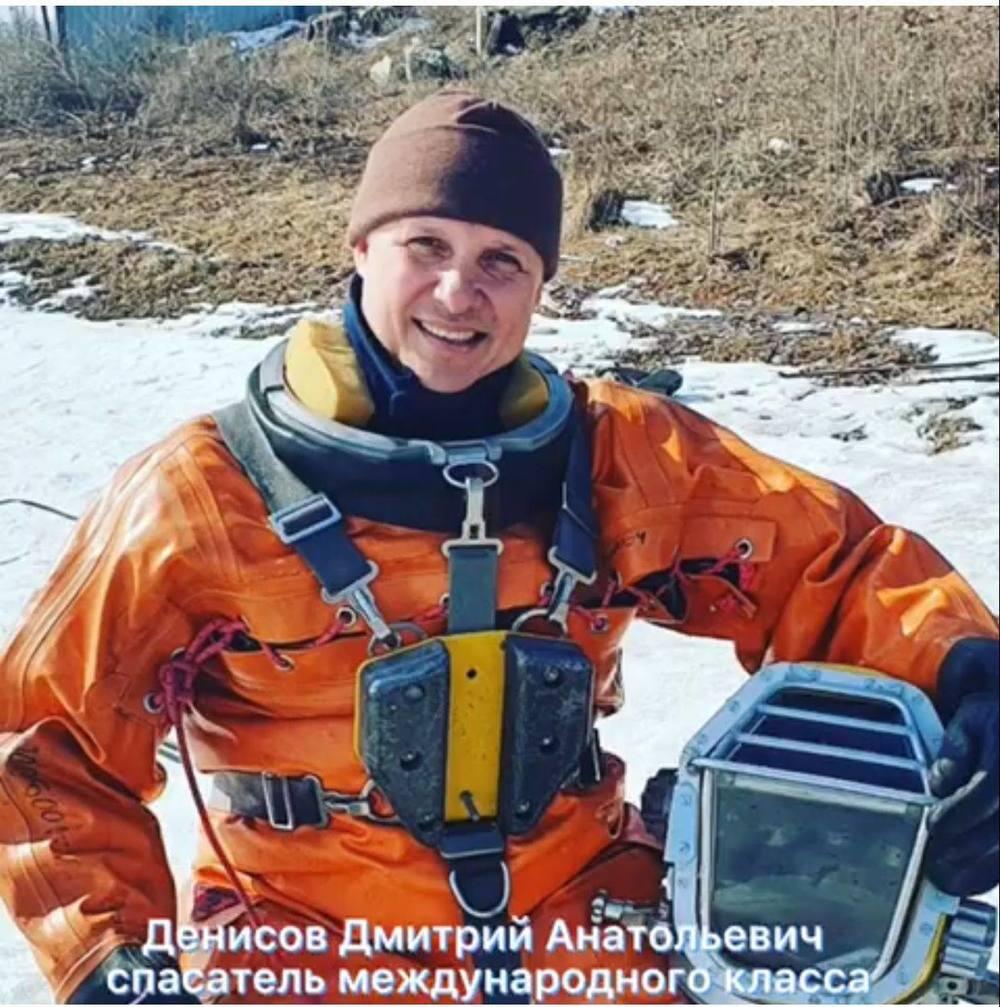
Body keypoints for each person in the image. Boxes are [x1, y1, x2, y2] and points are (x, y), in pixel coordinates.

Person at [1, 90, 997, 1006]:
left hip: (579, 905)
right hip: (299, 926)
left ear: (539, 288)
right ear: (361, 247)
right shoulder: (204, 494)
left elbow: (837, 567)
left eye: (500, 262)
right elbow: (45, 743)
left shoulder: (618, 456)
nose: (457, 291)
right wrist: (107, 960)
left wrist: (969, 677)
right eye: (425, 245)